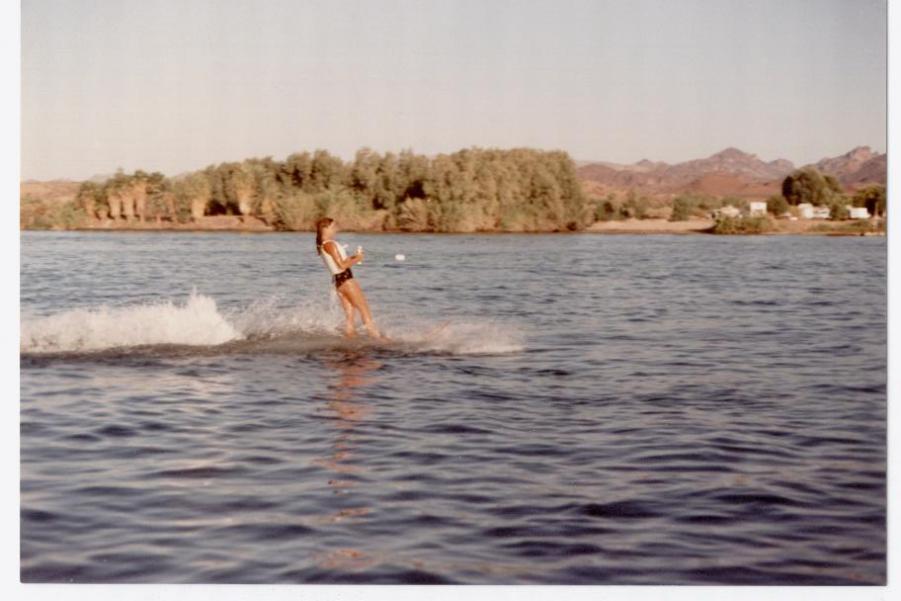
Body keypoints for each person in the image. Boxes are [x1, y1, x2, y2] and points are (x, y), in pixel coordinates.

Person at [315, 217, 384, 339]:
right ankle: (378, 340)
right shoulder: (330, 244)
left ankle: (349, 341)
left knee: (350, 315)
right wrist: (358, 259)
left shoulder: (324, 244)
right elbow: (341, 265)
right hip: (347, 281)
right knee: (365, 311)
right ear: (325, 228)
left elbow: (341, 262)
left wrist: (354, 257)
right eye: (333, 227)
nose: (336, 229)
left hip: (339, 283)